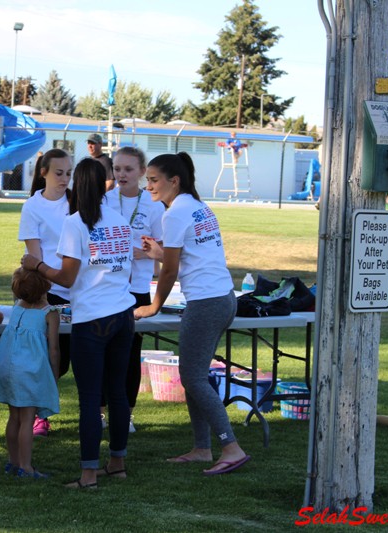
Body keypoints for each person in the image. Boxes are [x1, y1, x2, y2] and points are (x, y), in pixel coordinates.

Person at [134, 152, 251, 476]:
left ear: (175, 181)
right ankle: (202, 448)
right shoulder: (197, 207)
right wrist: (158, 251)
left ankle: (231, 446)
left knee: (195, 378)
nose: (150, 186)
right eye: (149, 180)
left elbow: (169, 270)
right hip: (223, 297)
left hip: (206, 303)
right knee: (195, 375)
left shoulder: (176, 213)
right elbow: (190, 255)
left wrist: (154, 306)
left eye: (154, 180)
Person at [21, 157, 135, 490]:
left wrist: (37, 265)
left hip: (93, 318)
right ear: (105, 183)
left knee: (89, 397)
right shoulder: (119, 220)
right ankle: (117, 463)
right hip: (123, 314)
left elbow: (67, 278)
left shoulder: (75, 223)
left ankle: (88, 474)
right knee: (116, 393)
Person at [102, 146, 164, 433]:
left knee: (129, 352)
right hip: (106, 286)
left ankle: (125, 414)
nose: (122, 174)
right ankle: (102, 412)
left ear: (142, 171)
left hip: (137, 289)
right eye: (117, 169)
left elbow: (164, 249)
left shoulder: (153, 204)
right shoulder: (104, 201)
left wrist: (147, 252)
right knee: (103, 350)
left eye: (128, 169)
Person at [0, 267, 61, 478]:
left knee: (14, 418)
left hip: (8, 368)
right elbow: (54, 349)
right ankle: (26, 467)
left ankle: (13, 461)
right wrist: (53, 375)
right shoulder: (50, 313)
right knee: (27, 419)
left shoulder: (18, 307)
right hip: (30, 371)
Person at [18, 148, 73, 437]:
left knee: (72, 357)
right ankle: (40, 414)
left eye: (68, 173)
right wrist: (46, 291)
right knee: (47, 358)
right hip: (48, 292)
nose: (64, 179)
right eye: (58, 173)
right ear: (43, 173)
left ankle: (99, 411)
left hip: (79, 292)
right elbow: (34, 257)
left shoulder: (76, 202)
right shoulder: (32, 207)